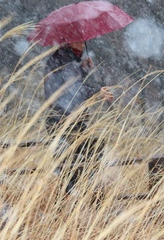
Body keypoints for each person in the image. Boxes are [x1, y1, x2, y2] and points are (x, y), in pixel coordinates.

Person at [44, 41, 114, 194]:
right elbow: (74, 89)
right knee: (83, 155)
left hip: (62, 119)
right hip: (66, 120)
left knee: (72, 161)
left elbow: (66, 83)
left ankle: (73, 194)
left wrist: (82, 68)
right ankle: (77, 194)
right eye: (80, 41)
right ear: (71, 42)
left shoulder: (63, 59)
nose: (83, 45)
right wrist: (97, 92)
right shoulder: (66, 61)